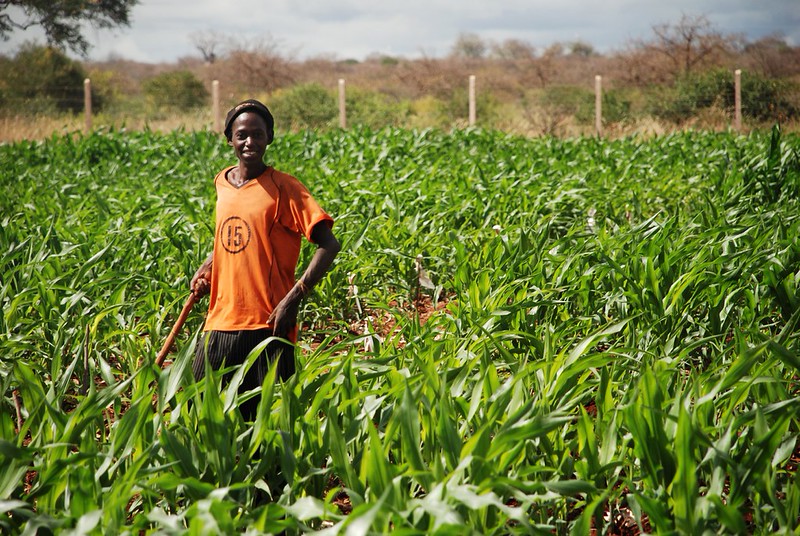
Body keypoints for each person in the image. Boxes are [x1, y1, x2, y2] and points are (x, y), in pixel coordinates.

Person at [190, 99, 340, 420]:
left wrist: (294, 298)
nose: (249, 143)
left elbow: (329, 244)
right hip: (220, 320)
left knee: (267, 427)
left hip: (268, 323)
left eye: (258, 135)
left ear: (269, 137)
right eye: (242, 135)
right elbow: (235, 235)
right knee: (200, 416)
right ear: (229, 138)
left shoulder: (285, 188)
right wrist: (211, 262)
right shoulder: (222, 182)